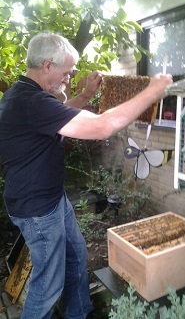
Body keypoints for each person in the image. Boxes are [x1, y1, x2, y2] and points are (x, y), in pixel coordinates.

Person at [0, 31, 173, 319]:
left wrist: (88, 94)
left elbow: (60, 115)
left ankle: (78, 313)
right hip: (38, 211)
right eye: (66, 72)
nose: (69, 78)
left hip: (51, 200)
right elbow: (101, 127)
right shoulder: (32, 102)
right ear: (47, 66)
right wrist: (151, 93)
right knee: (48, 286)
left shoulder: (24, 95)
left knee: (77, 255)